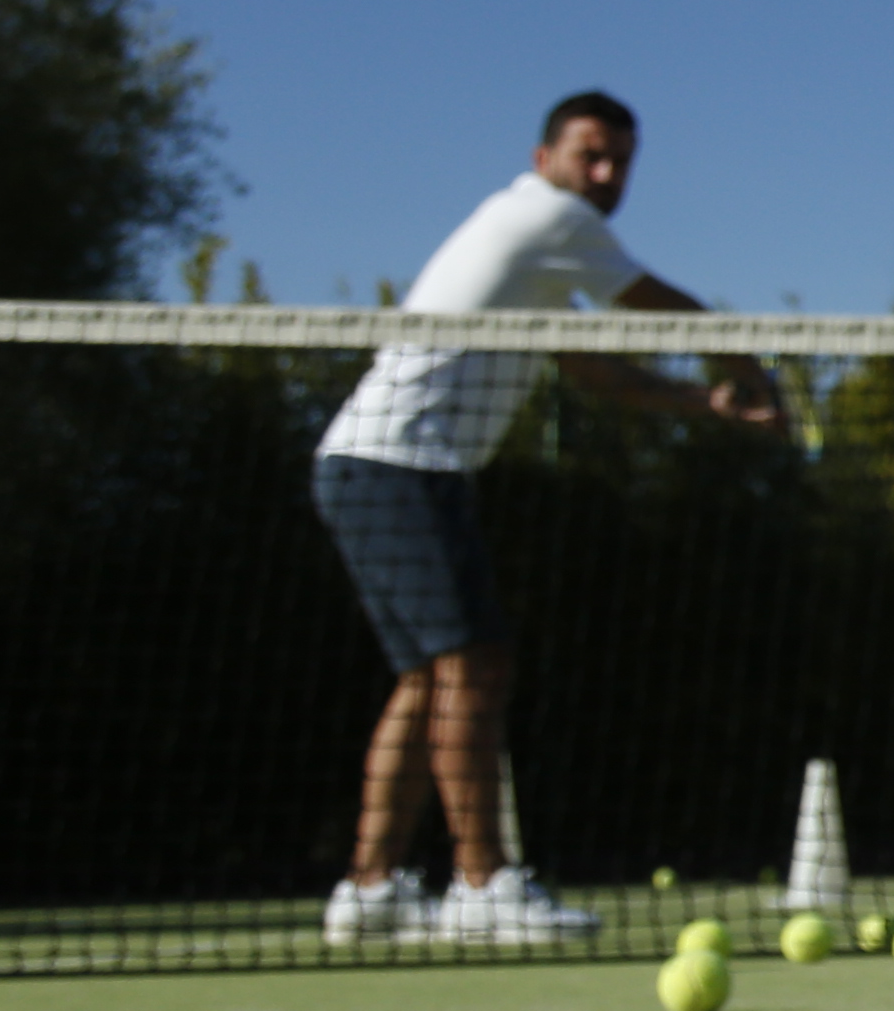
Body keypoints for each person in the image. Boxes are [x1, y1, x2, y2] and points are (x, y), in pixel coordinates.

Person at [312, 93, 785, 946]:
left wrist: (707, 403)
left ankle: (371, 889)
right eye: (590, 156)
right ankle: (484, 882)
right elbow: (663, 305)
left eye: (619, 162)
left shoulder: (539, 256)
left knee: (430, 680)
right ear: (545, 161)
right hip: (397, 467)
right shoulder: (548, 218)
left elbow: (599, 372)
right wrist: (749, 364)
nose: (605, 177)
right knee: (476, 666)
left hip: (369, 467)